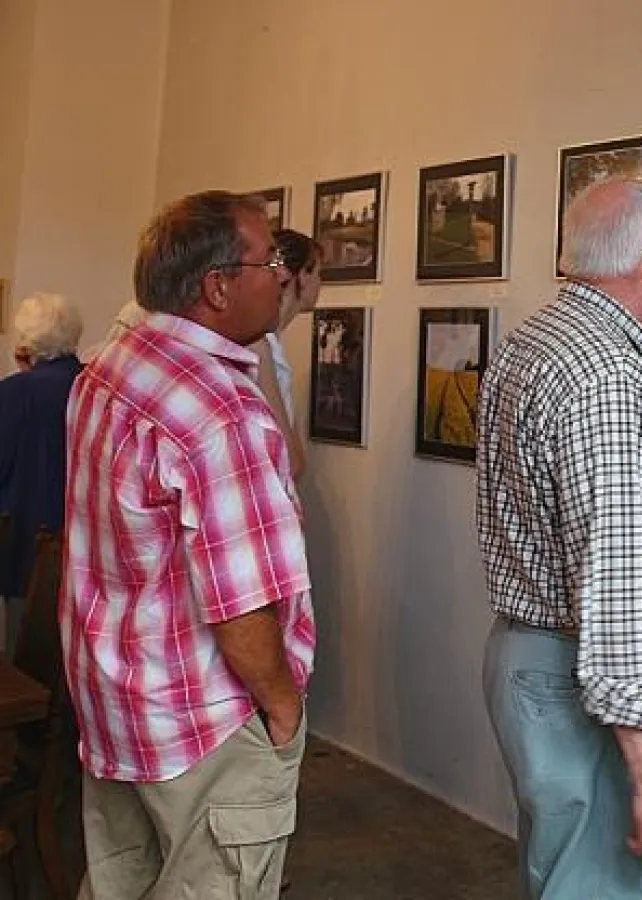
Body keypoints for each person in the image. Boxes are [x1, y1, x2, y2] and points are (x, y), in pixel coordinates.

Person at [62, 191, 316, 899]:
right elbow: (242, 607)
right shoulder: (224, 412)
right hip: (204, 720)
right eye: (270, 261)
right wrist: (284, 711)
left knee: (119, 881)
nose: (282, 276)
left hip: (116, 698)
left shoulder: (106, 369)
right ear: (217, 286)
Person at [476, 177, 642, 900]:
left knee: (565, 879)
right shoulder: (603, 375)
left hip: (538, 664)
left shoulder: (537, 340)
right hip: (585, 683)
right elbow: (614, 585)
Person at [0, 293, 83, 649]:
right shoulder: (93, 385)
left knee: (23, 650)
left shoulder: (14, 393)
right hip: (83, 542)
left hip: (24, 539)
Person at [251, 228, 323, 478]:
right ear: (302, 275)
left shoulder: (270, 346)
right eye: (318, 273)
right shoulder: (260, 347)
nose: (320, 283)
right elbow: (287, 461)